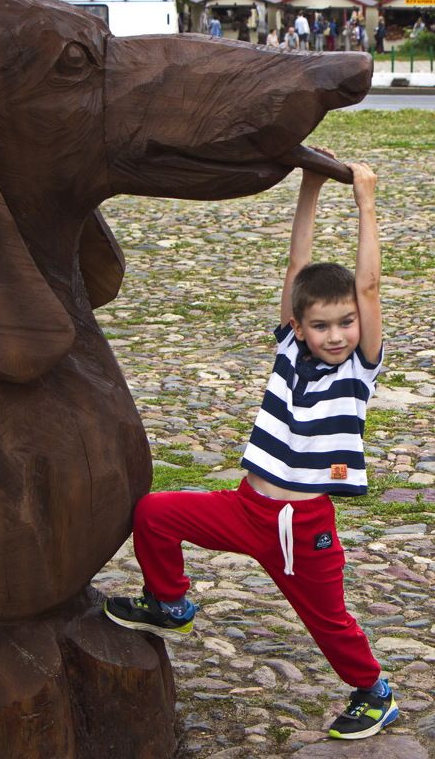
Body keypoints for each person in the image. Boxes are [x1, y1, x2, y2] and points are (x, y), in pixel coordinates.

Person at [104, 157, 399, 741]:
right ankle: (170, 604)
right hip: (245, 508)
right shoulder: (289, 348)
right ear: (300, 325)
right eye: (322, 326)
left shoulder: (359, 369)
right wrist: (310, 187)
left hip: (302, 529)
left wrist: (365, 202)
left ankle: (373, 692)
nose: (336, 335)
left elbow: (368, 286)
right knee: (155, 513)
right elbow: (296, 265)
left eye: (346, 323)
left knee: (328, 621)